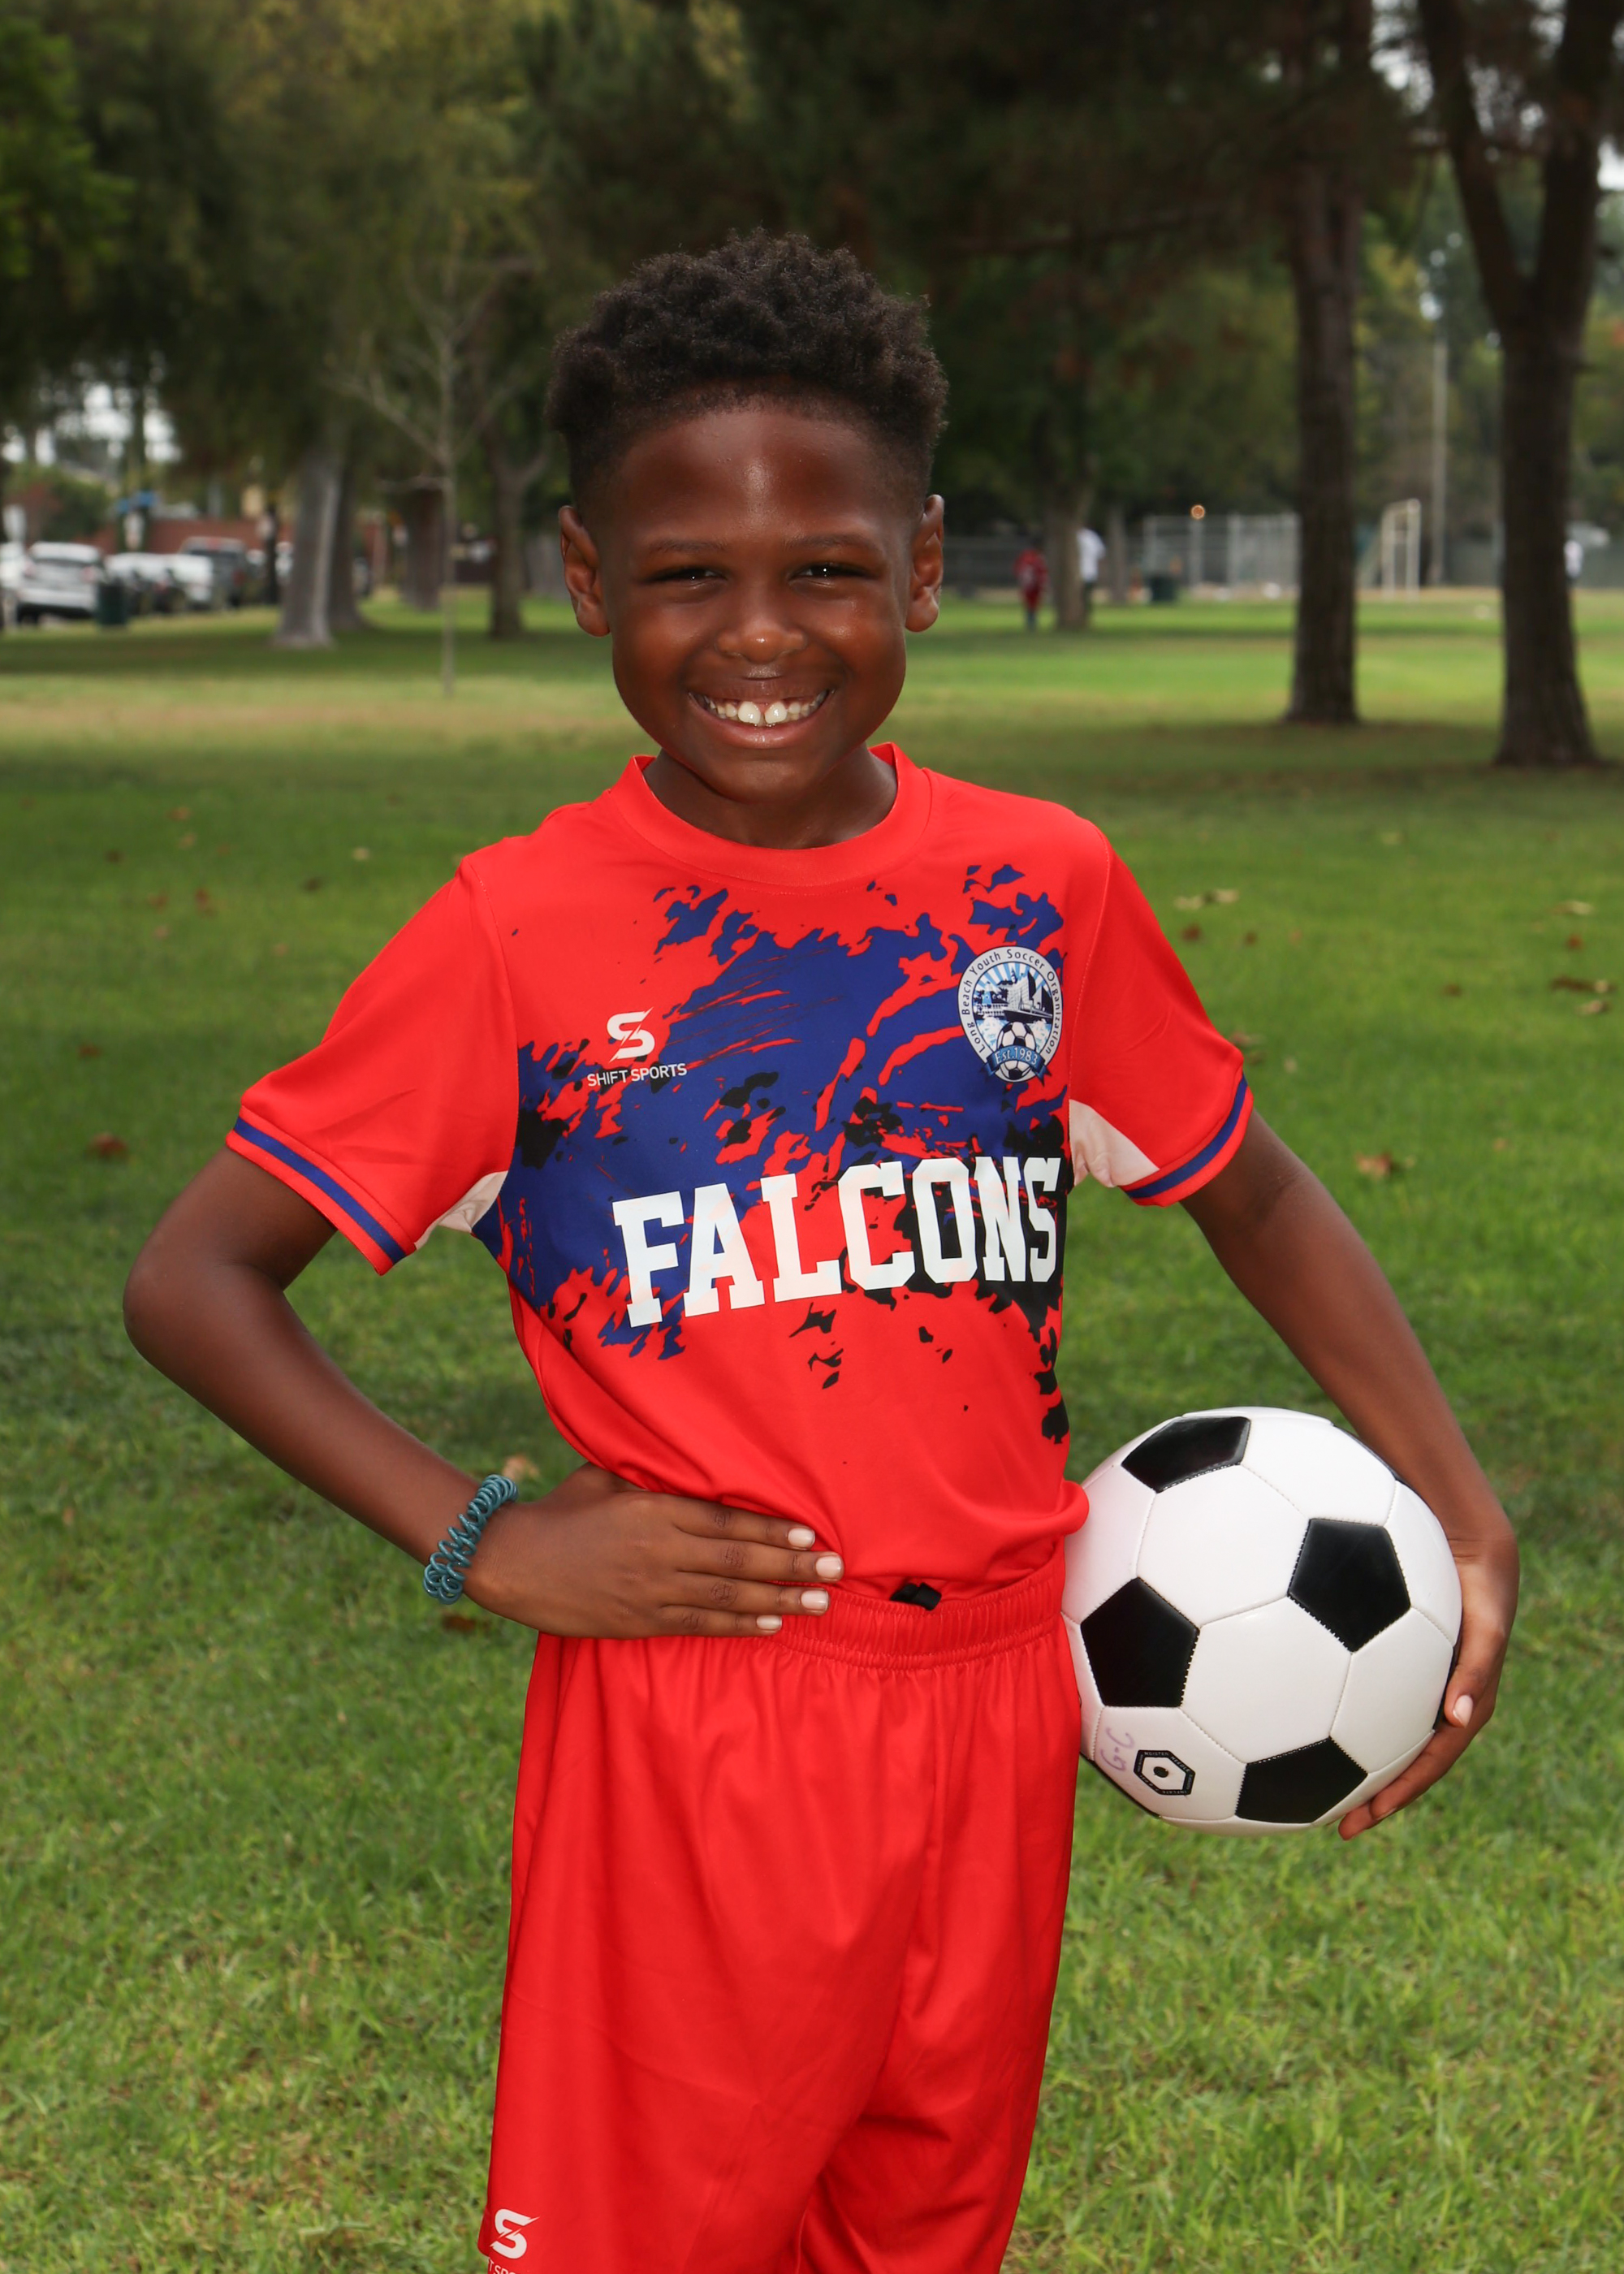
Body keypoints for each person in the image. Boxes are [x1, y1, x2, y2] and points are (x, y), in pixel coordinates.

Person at [123, 231, 1518, 2274]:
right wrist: (481, 1537)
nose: (759, 630)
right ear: (589, 579)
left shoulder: (1037, 888)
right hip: (704, 1714)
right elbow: (194, 1278)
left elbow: (1256, 1190)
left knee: (918, 2230)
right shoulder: (516, 933)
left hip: (1003, 1699)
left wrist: (1459, 1510)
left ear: (924, 569)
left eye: (829, 569)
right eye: (688, 572)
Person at [1014, 539, 1047, 629]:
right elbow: (1040, 572)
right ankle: (1031, 623)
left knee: (1030, 604)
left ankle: (1031, 622)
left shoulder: (1026, 556)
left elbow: (1018, 569)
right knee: (1032, 604)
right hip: (1033, 585)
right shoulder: (1037, 558)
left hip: (1027, 585)